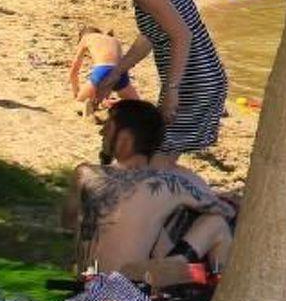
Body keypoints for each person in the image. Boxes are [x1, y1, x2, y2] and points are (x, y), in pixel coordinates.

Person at [70, 0, 229, 162]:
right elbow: (150, 35)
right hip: (196, 78)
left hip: (193, 81)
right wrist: (115, 74)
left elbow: (182, 36)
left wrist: (172, 91)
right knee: (159, 157)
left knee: (156, 159)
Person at [65, 100, 235, 282]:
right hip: (125, 291)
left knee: (153, 223)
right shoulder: (170, 185)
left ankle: (182, 275)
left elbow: (68, 222)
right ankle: (216, 285)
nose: (102, 132)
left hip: (84, 287)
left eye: (107, 128)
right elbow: (226, 211)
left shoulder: (84, 174)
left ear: (125, 140)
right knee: (216, 224)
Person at [70, 27, 139, 107]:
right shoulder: (114, 40)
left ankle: (90, 104)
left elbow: (74, 69)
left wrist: (76, 93)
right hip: (121, 72)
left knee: (79, 102)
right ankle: (114, 103)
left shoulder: (86, 38)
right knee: (137, 104)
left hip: (102, 70)